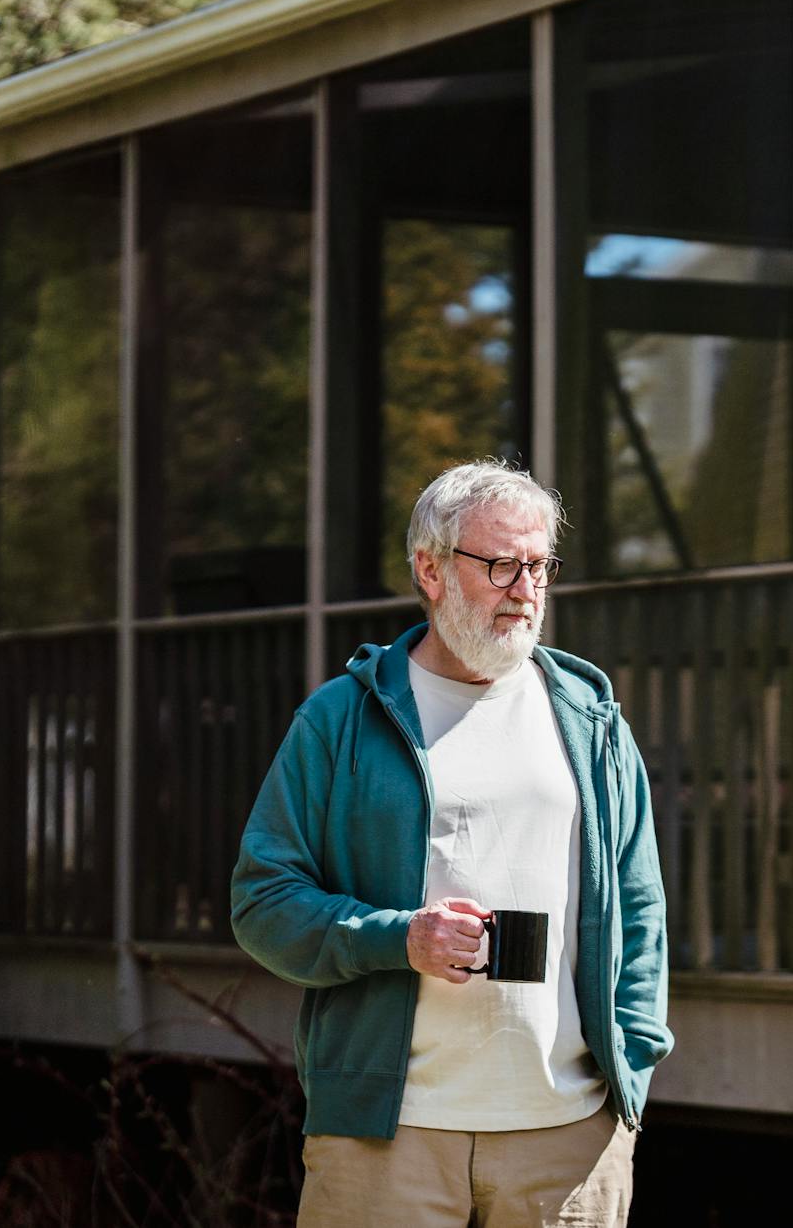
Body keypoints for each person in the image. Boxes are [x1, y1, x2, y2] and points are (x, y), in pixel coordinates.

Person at [231, 460, 671, 1228]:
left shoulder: (591, 720)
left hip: (567, 1139)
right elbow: (263, 901)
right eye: (501, 564)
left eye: (538, 565)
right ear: (430, 571)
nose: (525, 587)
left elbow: (641, 908)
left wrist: (630, 1065)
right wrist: (401, 939)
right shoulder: (340, 720)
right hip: (385, 1134)